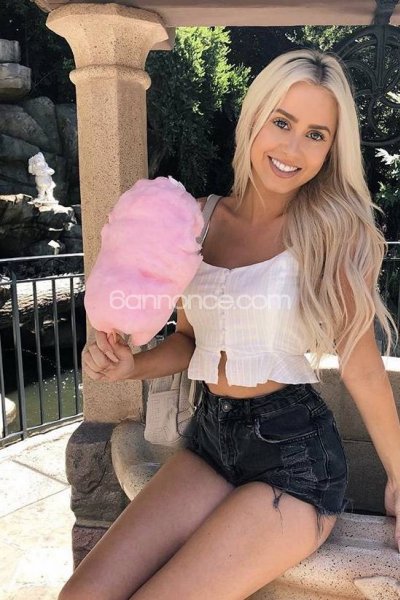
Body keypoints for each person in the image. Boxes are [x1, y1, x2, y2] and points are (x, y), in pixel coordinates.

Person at [59, 48, 400, 600]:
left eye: (315, 134)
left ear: (331, 149)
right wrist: (130, 366)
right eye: (282, 122)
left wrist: (399, 479)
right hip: (210, 438)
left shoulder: (328, 234)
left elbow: (362, 370)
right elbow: (189, 341)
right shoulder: (197, 219)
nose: (292, 148)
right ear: (254, 118)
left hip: (295, 460)